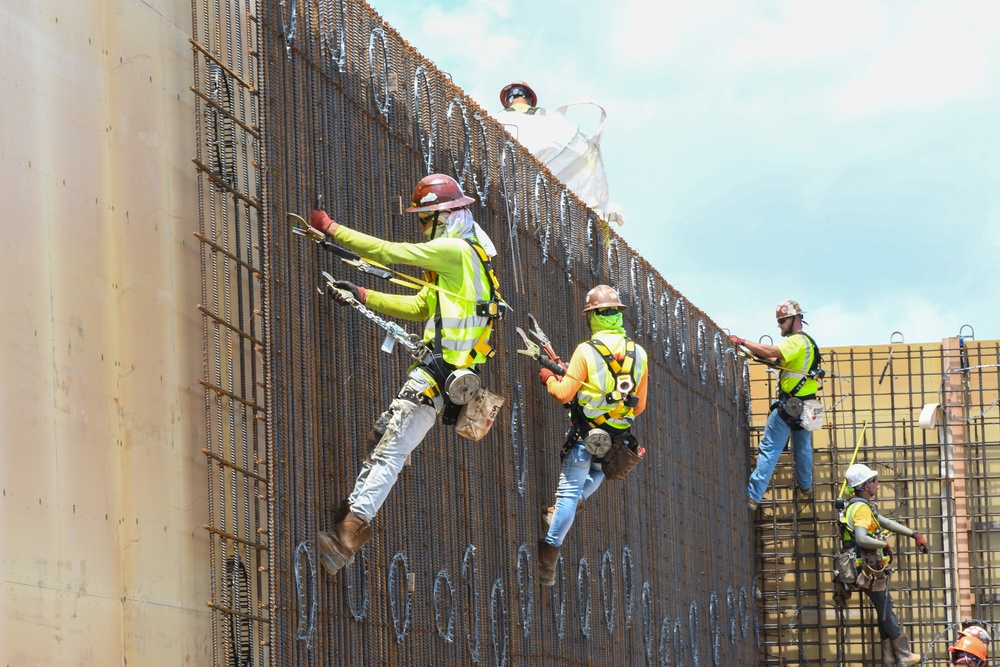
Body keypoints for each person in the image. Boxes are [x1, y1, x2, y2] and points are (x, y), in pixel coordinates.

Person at [308, 173, 502, 577]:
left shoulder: (452, 250)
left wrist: (330, 228)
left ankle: (348, 533)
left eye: (422, 220)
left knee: (392, 450)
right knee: (385, 438)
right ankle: (349, 511)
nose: (421, 229)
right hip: (450, 377)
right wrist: (361, 295)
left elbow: (388, 251)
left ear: (440, 216)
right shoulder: (473, 262)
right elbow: (419, 307)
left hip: (437, 375)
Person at [536, 285, 649, 586]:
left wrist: (549, 377)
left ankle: (548, 562)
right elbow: (640, 406)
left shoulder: (586, 351)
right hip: (616, 441)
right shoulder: (639, 354)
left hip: (586, 435)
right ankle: (567, 509)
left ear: (594, 316)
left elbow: (563, 394)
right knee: (597, 474)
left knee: (568, 495)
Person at [730, 299, 821, 510]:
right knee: (804, 449)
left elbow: (772, 352)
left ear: (795, 319)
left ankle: (752, 497)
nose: (779, 325)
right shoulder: (809, 343)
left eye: (782, 321)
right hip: (812, 405)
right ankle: (806, 486)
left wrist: (742, 341)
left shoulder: (794, 341)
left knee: (769, 450)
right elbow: (777, 361)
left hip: (791, 404)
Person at [837, 463, 930, 666]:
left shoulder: (857, 505)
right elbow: (862, 538)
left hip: (864, 567)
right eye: (874, 481)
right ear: (865, 485)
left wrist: (914, 534)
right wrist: (883, 544)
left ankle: (889, 656)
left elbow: (884, 522)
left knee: (883, 606)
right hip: (866, 568)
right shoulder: (861, 509)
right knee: (886, 607)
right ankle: (903, 654)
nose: (877, 484)